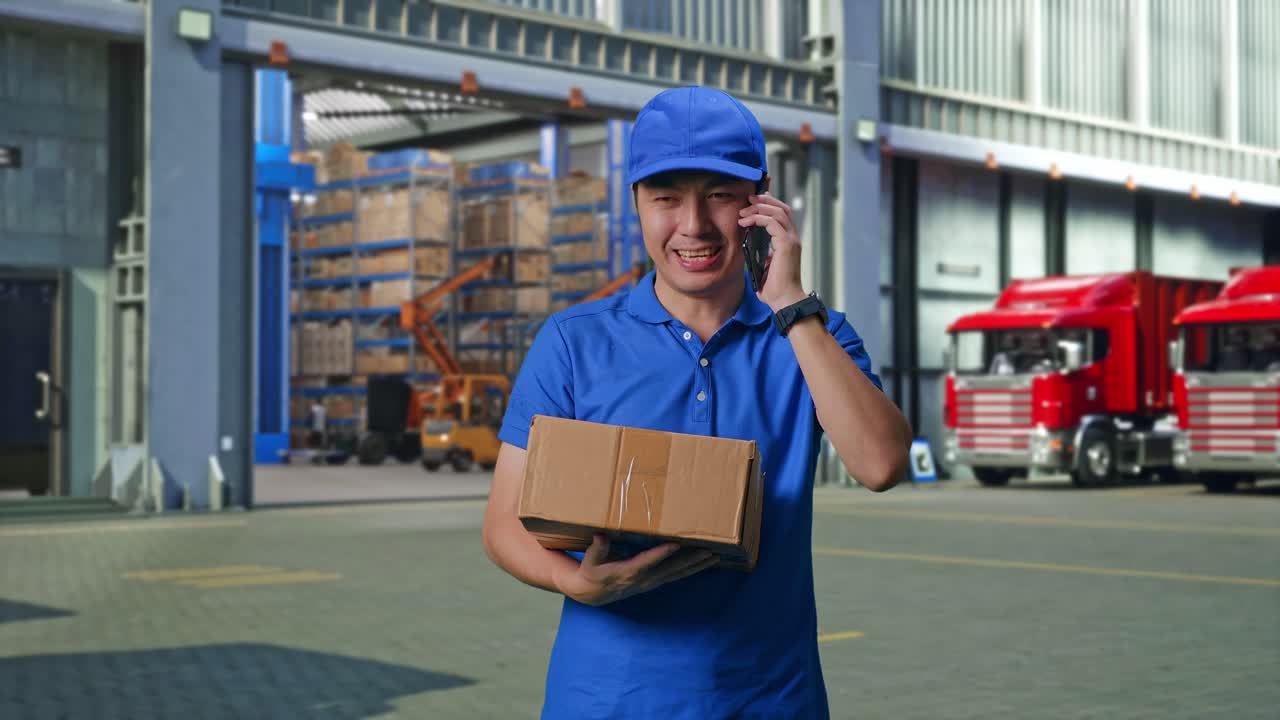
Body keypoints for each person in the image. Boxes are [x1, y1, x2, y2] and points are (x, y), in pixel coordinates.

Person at [482, 86, 912, 718]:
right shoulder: (574, 342)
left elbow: (881, 465)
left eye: (719, 195)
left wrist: (790, 304)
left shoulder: (812, 336)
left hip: (768, 700)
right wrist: (573, 581)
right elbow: (502, 524)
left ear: (761, 200)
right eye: (666, 198)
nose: (693, 226)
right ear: (635, 200)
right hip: (607, 701)